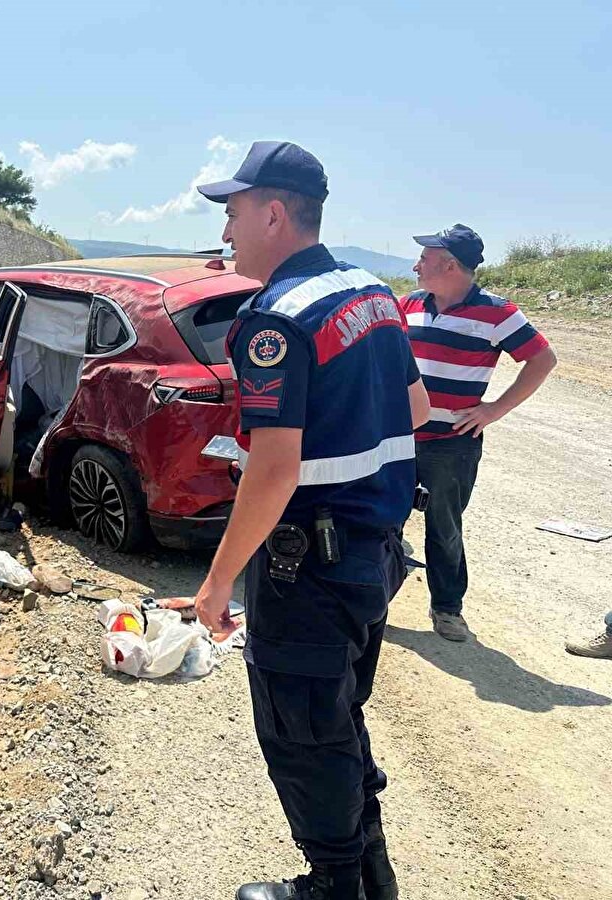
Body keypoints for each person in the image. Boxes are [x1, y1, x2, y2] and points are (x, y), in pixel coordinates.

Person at [193, 141, 430, 900]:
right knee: (338, 718)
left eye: (233, 213)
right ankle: (370, 876)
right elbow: (417, 408)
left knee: (302, 731)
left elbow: (274, 470)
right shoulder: (373, 293)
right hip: (371, 556)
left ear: (273, 214)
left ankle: (333, 886)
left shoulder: (274, 320)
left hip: (309, 572)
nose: (226, 232)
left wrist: (218, 583)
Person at [399, 225, 556, 642]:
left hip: (451, 445)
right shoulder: (409, 304)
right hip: (398, 438)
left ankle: (447, 609)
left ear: (450, 265)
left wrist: (494, 409)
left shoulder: (498, 313)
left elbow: (543, 359)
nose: (416, 266)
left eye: (425, 259)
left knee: (444, 527)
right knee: (384, 520)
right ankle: (373, 601)